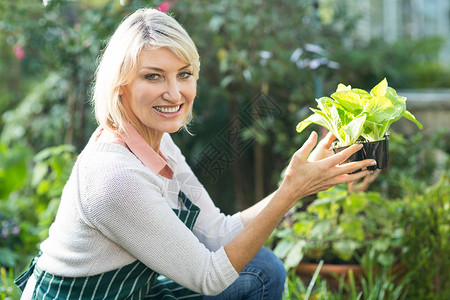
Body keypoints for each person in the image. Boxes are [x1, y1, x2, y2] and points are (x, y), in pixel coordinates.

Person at [15, 8, 376, 300]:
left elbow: (218, 231)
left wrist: (292, 186)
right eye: (153, 77)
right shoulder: (116, 177)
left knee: (260, 270)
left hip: (128, 293)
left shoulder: (158, 142)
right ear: (119, 87)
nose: (174, 94)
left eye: (183, 74)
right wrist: (289, 194)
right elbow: (210, 277)